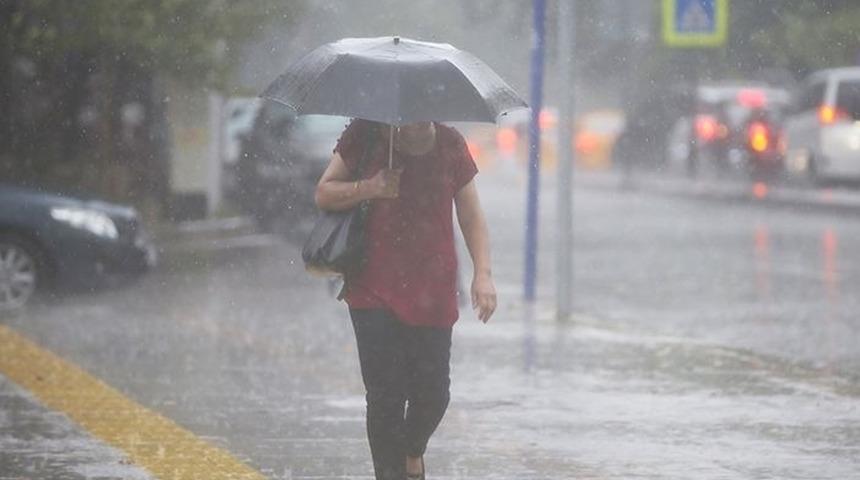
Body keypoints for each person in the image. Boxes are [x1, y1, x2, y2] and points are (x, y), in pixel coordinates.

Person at [315, 119, 497, 480]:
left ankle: (413, 451)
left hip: (433, 287)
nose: (415, 118)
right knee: (385, 396)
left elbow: (471, 214)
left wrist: (483, 274)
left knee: (434, 394)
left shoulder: (450, 144)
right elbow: (323, 192)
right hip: (372, 285)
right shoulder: (365, 133)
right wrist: (370, 187)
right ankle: (389, 473)